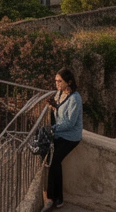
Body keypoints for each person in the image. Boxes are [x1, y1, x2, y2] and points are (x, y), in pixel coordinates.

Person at [44, 68, 83, 210]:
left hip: (71, 136)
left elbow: (70, 122)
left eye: (60, 81)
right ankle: (52, 197)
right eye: (56, 81)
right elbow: (60, 114)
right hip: (60, 134)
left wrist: (52, 129)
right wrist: (54, 106)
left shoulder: (75, 98)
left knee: (54, 161)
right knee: (52, 160)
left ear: (69, 82)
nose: (57, 84)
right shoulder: (59, 94)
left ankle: (57, 198)